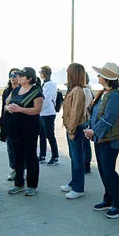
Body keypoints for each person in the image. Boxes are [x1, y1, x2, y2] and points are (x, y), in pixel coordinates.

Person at [86, 63, 119, 219]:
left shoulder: (115, 95)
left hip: (110, 139)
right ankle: (109, 199)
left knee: (109, 170)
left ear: (107, 78)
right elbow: (95, 114)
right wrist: (91, 129)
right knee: (103, 170)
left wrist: (94, 131)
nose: (98, 76)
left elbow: (108, 118)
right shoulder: (104, 93)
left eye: (100, 75)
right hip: (100, 138)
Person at [5, 67, 44, 196]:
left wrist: (20, 109)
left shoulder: (36, 91)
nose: (19, 77)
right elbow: (7, 102)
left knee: (30, 156)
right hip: (15, 127)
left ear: (29, 78)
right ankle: (19, 183)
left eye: (22, 76)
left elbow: (37, 110)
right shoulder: (16, 90)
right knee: (17, 156)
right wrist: (9, 108)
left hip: (30, 128)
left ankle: (32, 185)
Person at [60, 63, 89, 199]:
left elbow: (75, 112)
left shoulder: (77, 90)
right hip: (72, 127)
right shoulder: (73, 89)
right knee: (74, 157)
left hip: (76, 128)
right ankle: (74, 182)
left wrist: (71, 130)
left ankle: (78, 188)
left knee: (77, 159)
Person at [0, 68, 20, 181]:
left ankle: (21, 169)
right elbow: (3, 107)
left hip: (20, 123)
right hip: (8, 123)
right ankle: (14, 169)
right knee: (10, 148)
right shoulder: (7, 91)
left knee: (20, 148)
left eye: (15, 75)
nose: (12, 77)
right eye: (10, 75)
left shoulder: (23, 90)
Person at [38, 66, 60, 165]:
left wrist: (38, 109)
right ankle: (42, 156)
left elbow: (46, 100)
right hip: (43, 113)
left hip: (48, 113)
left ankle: (55, 156)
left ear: (43, 74)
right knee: (42, 135)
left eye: (41, 72)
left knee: (49, 135)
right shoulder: (45, 84)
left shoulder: (50, 85)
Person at [83, 72, 94, 173]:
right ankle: (86, 164)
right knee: (85, 144)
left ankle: (86, 164)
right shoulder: (87, 89)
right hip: (85, 119)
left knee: (85, 144)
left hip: (85, 120)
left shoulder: (86, 90)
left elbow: (84, 107)